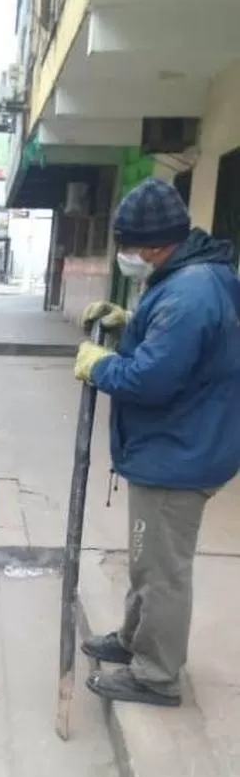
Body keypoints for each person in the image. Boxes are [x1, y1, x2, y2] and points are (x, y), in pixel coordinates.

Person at [75, 177, 240, 707]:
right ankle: (132, 641)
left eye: (128, 246)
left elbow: (151, 380)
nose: (126, 256)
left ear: (152, 245)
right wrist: (131, 327)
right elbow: (178, 351)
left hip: (179, 453)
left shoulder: (189, 292)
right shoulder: (189, 277)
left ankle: (156, 674)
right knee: (149, 559)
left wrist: (102, 365)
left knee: (163, 570)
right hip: (183, 442)